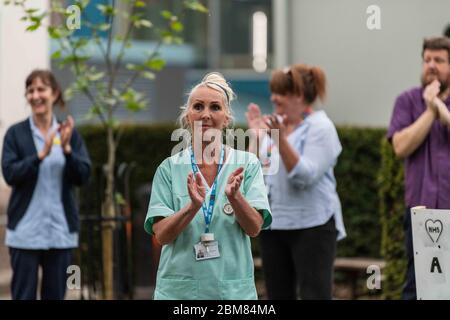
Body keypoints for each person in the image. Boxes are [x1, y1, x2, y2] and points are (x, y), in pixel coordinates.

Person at [144, 72, 272, 300]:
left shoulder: (247, 164)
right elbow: (161, 235)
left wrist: (236, 198)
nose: (206, 115)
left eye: (215, 107)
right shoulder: (169, 168)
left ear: (226, 117)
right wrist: (191, 207)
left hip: (232, 293)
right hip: (180, 294)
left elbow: (254, 228)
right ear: (188, 116)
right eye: (198, 107)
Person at [246, 63, 346, 300]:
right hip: (274, 225)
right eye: (274, 91)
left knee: (315, 295)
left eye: (281, 93)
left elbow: (304, 176)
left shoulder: (322, 128)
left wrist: (279, 139)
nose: (273, 98)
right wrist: (255, 137)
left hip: (313, 225)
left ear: (299, 95)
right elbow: (252, 174)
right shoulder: (273, 125)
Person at [1, 69, 91, 300]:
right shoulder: (15, 134)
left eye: (41, 89)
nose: (35, 95)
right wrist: (41, 154)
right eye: (30, 90)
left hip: (60, 232)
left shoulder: (68, 133)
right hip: (25, 233)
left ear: (54, 93)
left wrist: (68, 151)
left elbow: (83, 175)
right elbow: (10, 174)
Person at [387, 37, 450, 300]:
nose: (431, 66)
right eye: (427, 60)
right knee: (418, 288)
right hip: (420, 214)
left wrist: (438, 106)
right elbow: (400, 146)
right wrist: (429, 111)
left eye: (439, 60)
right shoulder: (407, 101)